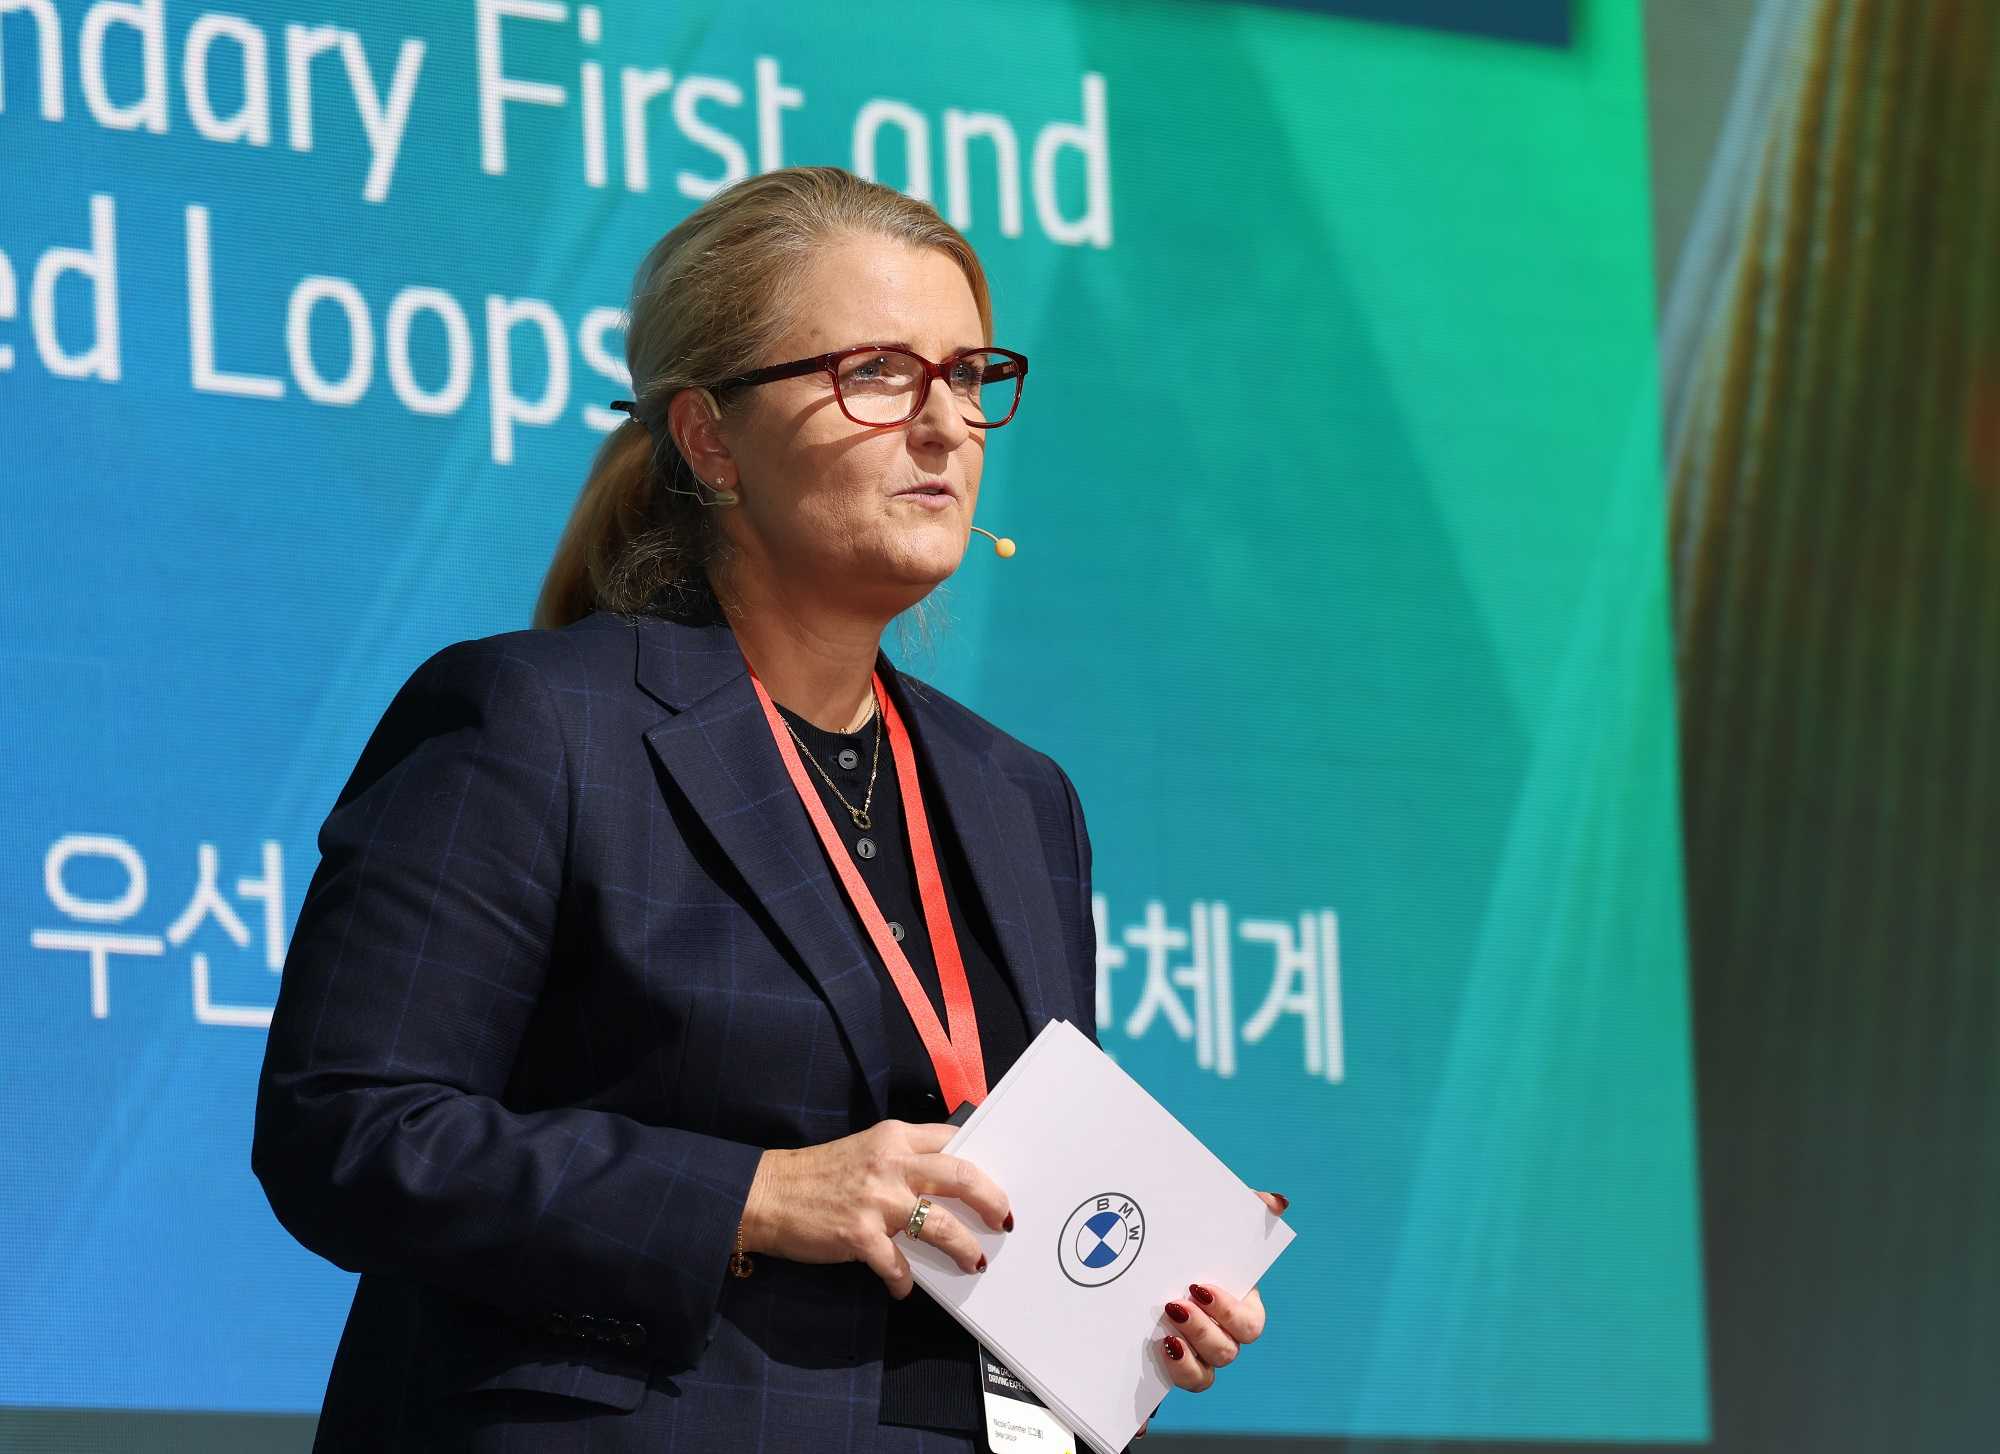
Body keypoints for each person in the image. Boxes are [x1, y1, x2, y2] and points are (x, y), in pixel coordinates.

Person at [252, 165, 1282, 1453]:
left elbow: (998, 1199)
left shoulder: (1021, 797)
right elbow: (347, 1129)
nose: (945, 426)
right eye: (878, 374)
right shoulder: (535, 720)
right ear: (708, 439)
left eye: (967, 376)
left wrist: (1133, 1294)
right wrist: (755, 1195)